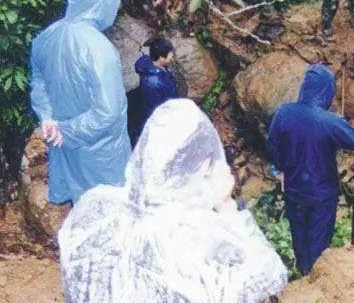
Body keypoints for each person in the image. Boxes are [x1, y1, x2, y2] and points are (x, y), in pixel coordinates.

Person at [59, 99, 288, 303]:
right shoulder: (200, 238)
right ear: (204, 164)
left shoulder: (96, 209)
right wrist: (226, 207)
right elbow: (267, 275)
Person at [29, 0, 130, 204]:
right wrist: (68, 131)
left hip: (65, 145)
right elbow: (108, 111)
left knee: (79, 207)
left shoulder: (46, 37)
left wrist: (48, 119)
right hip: (101, 154)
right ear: (98, 0)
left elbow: (38, 82)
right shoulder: (100, 49)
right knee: (108, 213)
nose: (115, 4)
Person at [267, 64, 354, 275]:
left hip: (294, 191)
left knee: (299, 240)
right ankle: (315, 284)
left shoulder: (284, 113)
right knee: (318, 247)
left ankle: (303, 277)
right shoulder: (330, 121)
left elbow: (273, 144)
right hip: (322, 196)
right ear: (327, 91)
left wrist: (280, 169)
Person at [133, 37, 178, 141]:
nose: (172, 56)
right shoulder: (152, 83)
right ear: (161, 57)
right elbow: (155, 109)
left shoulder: (155, 66)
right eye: (170, 54)